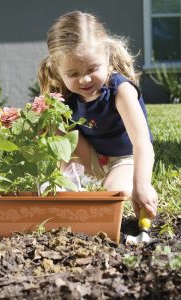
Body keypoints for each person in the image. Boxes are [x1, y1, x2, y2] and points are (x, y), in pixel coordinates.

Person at [38, 11, 158, 219]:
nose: (84, 80)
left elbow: (142, 142)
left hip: (124, 159)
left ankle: (113, 184)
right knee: (54, 123)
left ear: (107, 57)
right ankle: (73, 183)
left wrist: (142, 185)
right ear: (59, 70)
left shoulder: (121, 91)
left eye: (92, 68)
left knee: (113, 194)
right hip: (91, 159)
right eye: (73, 74)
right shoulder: (65, 98)